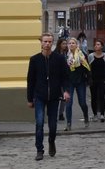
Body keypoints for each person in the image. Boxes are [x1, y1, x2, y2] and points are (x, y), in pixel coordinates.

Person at [26, 32, 71, 160]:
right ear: (41, 42)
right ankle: (39, 150)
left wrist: (66, 91)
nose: (47, 44)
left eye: (50, 42)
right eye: (45, 41)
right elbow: (30, 80)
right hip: (39, 96)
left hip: (54, 96)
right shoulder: (34, 60)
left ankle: (51, 141)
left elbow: (65, 77)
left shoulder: (59, 59)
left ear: (52, 43)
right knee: (39, 123)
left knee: (53, 125)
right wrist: (30, 98)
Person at [64, 37, 91, 130]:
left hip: (80, 81)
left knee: (82, 102)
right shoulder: (66, 56)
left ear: (77, 45)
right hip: (69, 82)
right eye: (70, 43)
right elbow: (63, 70)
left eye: (73, 43)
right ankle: (68, 124)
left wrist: (88, 80)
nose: (71, 45)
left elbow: (87, 68)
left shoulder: (82, 55)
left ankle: (86, 117)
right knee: (68, 104)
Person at [87, 39, 105, 122]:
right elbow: (88, 68)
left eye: (98, 44)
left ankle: (102, 114)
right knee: (93, 97)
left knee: (101, 96)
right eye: (95, 45)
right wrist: (88, 78)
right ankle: (95, 115)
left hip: (102, 79)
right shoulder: (90, 56)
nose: (96, 46)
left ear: (102, 46)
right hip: (93, 80)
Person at [54, 37, 69, 122]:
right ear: (59, 44)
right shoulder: (55, 53)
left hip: (65, 78)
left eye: (65, 44)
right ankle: (55, 113)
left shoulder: (67, 53)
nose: (65, 45)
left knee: (64, 97)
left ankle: (60, 114)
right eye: (63, 44)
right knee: (56, 97)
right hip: (57, 78)